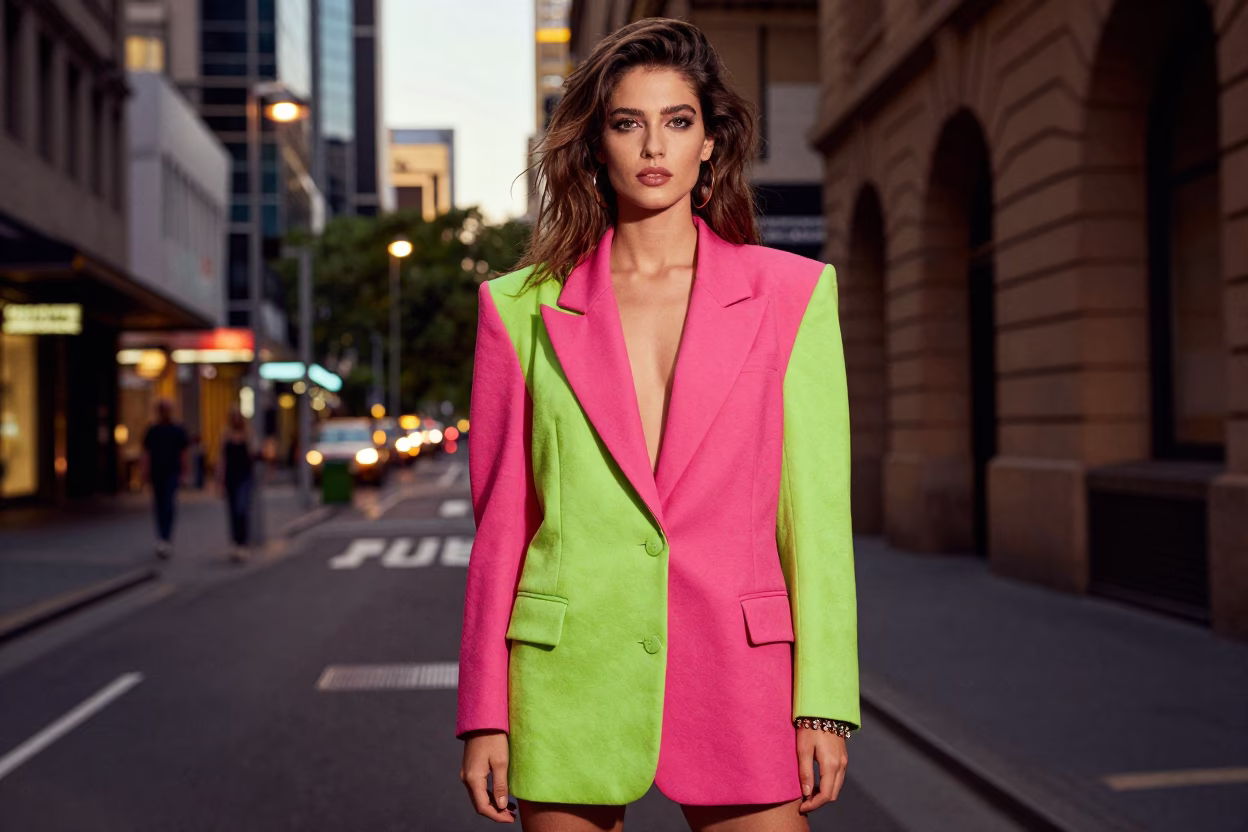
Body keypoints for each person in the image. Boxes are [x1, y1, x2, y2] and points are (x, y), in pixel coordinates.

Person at [457, 18, 859, 832]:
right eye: (626, 122)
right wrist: (484, 712)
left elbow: (815, 518)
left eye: (678, 121)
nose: (654, 146)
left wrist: (826, 700)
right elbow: (503, 523)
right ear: (595, 144)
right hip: (568, 673)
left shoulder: (792, 295)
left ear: (710, 142)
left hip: (740, 670)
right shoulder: (519, 308)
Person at [141, 397, 189, 559]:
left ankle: (166, 537)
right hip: (157, 472)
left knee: (168, 504)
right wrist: (145, 470)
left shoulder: (177, 430)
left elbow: (184, 453)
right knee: (159, 505)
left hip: (171, 472)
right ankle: (162, 537)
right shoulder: (153, 430)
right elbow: (146, 452)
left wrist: (183, 472)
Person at [217, 407, 257, 564]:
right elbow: (223, 459)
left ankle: (242, 542)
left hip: (245, 477)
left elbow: (253, 455)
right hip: (231, 477)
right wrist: (219, 479)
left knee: (242, 508)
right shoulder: (226, 435)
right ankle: (236, 542)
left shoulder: (248, 435)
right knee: (233, 510)